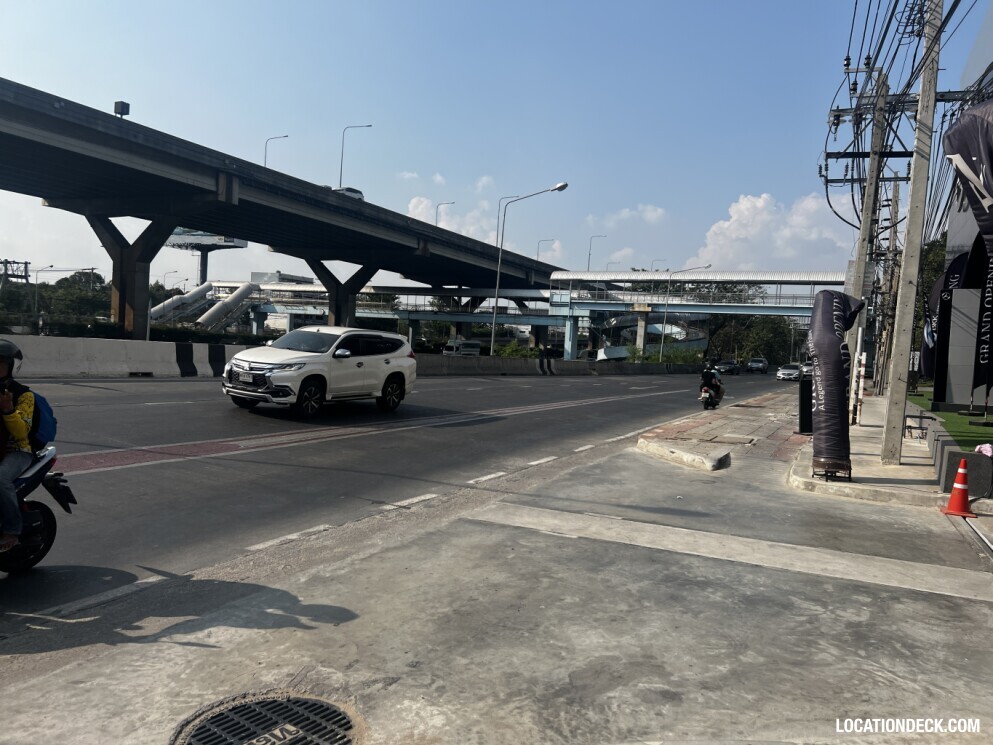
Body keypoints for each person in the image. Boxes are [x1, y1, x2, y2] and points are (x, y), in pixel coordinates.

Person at [0, 339, 35, 553]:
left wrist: (7, 409)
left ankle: (12, 529)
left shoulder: (24, 395)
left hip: (18, 451)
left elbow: (22, 431)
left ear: (9, 367)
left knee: (0, 478)